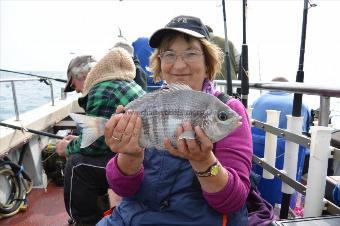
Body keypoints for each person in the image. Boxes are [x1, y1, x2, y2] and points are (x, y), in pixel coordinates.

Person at [97, 15, 252, 226]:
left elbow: (233, 201)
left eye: (191, 53)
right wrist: (130, 155)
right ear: (159, 63)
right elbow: (123, 189)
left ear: (208, 62)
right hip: (134, 217)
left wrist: (203, 161)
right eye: (169, 54)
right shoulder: (145, 105)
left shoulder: (229, 109)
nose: (179, 65)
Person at [56, 47, 145, 225]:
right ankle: (103, 208)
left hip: (139, 162)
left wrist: (67, 147)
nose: (78, 91)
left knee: (76, 164)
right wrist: (78, 140)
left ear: (81, 76)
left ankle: (85, 221)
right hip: (142, 153)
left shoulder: (100, 89)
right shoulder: (121, 81)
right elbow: (103, 137)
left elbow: (94, 146)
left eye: (74, 86)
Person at [251, 76, 311, 206]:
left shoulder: (256, 102)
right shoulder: (302, 105)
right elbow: (305, 137)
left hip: (257, 159)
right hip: (286, 164)